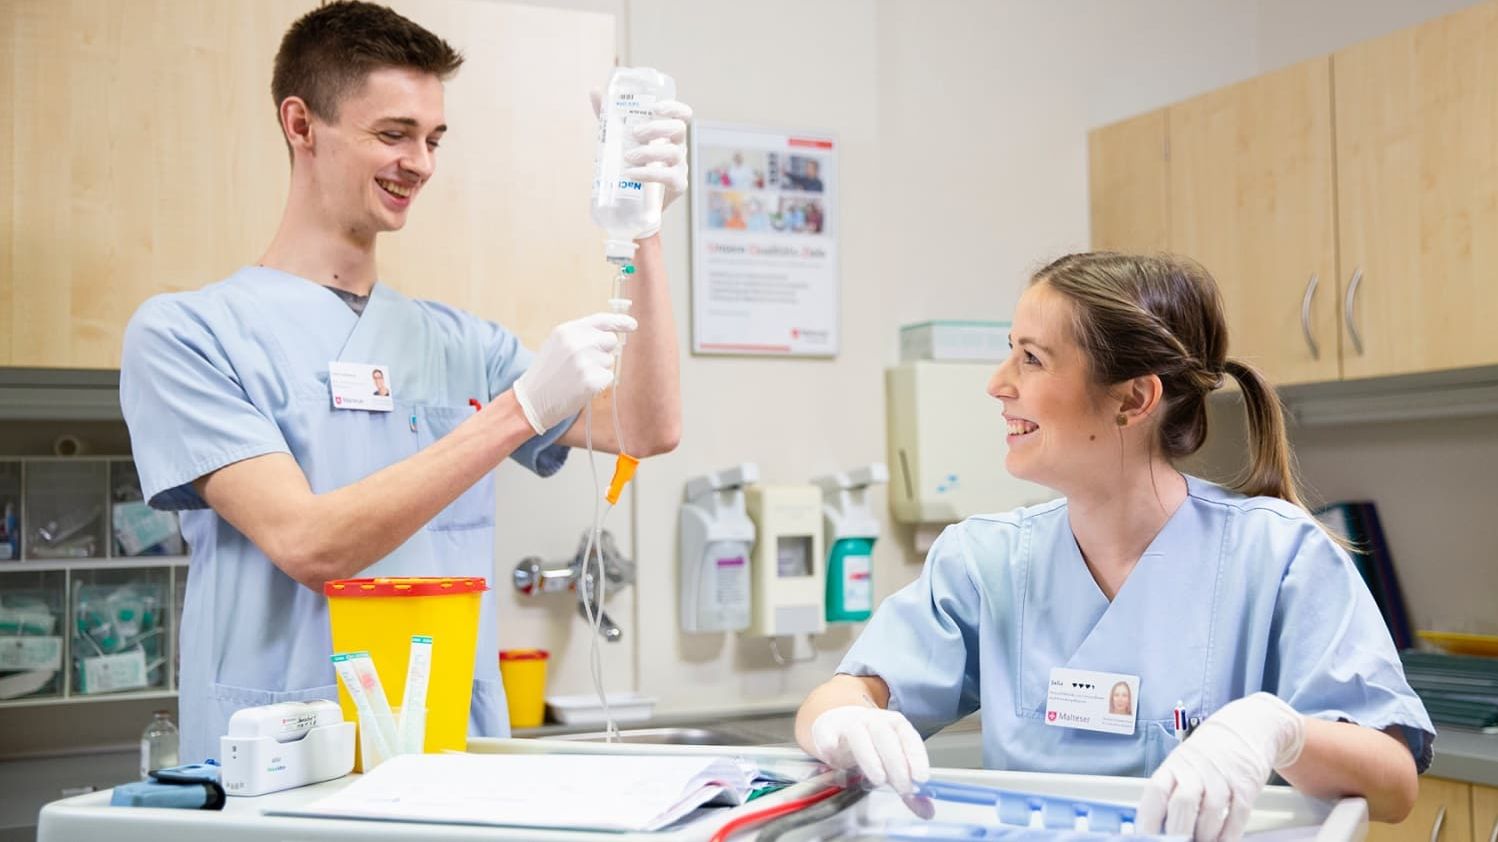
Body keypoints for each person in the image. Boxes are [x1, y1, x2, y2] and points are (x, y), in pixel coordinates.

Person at [118, 1, 690, 762]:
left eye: (432, 139)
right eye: (392, 134)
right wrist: (517, 411)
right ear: (301, 125)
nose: (419, 162)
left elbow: (646, 428)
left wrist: (643, 228)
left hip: (454, 758)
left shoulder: (461, 345)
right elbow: (309, 544)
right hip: (281, 768)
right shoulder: (188, 336)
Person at [795, 253, 1432, 842]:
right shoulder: (986, 561)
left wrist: (1277, 731)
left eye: (1032, 359)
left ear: (1133, 398)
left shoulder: (1279, 555)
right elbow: (843, 694)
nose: (996, 383)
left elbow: (1394, 784)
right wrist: (844, 721)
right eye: (1008, 352)